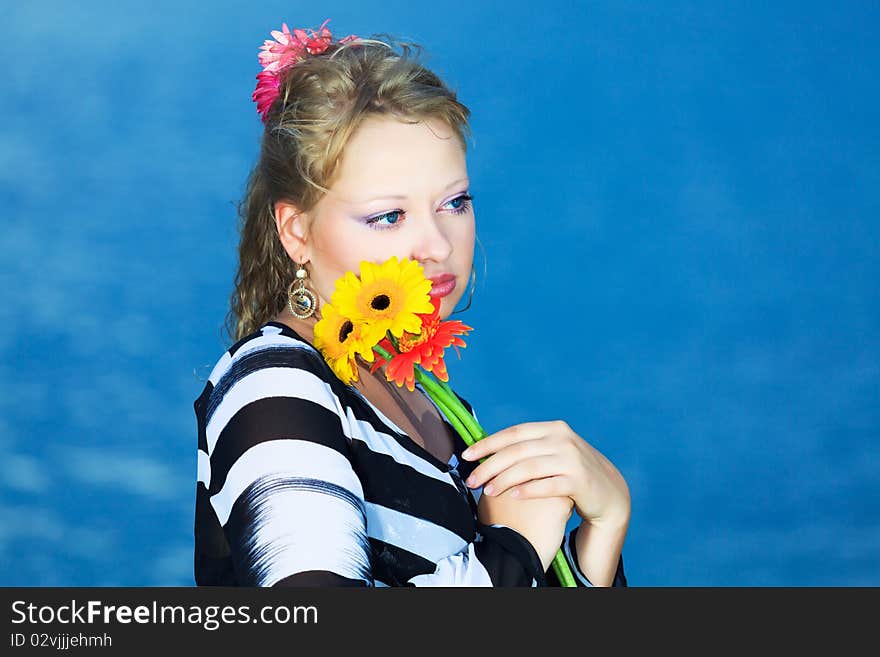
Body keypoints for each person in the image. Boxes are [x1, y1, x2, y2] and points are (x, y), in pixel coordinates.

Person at [193, 19, 630, 587]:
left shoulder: (429, 398)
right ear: (296, 231)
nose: (438, 245)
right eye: (388, 216)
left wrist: (604, 525)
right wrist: (513, 550)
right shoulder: (274, 389)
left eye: (454, 203)